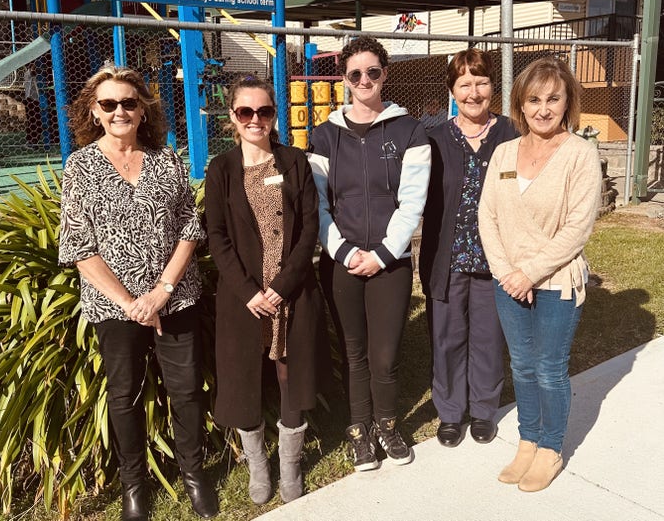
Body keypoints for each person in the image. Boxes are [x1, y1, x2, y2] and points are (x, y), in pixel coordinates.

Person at [58, 66, 218, 521]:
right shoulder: (81, 166)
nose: (119, 111)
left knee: (185, 390)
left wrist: (163, 289)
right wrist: (131, 303)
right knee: (124, 393)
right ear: (94, 110)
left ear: (143, 108)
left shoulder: (166, 159)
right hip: (114, 306)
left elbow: (190, 225)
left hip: (175, 296)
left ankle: (193, 475)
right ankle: (134, 486)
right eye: (108, 104)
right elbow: (78, 245)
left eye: (129, 102)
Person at [308, 35, 431, 471]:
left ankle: (388, 425)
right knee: (354, 352)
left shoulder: (409, 130)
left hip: (389, 263)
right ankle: (359, 432)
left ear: (384, 74)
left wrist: (380, 254)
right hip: (341, 263)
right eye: (355, 73)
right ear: (344, 78)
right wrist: (342, 252)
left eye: (372, 72)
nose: (364, 80)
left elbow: (411, 202)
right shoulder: (323, 136)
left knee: (385, 355)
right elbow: (319, 205)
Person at [204, 75, 329, 505]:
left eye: (264, 111)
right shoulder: (221, 169)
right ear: (233, 119)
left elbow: (309, 226)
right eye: (246, 112)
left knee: (288, 372)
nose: (256, 119)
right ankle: (258, 465)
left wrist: (281, 285)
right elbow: (216, 236)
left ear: (275, 115)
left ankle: (290, 465)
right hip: (245, 299)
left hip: (291, 292)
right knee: (243, 377)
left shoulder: (295, 162)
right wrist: (248, 292)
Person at [479, 57, 601, 492]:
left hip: (555, 281)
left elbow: (578, 228)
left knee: (549, 368)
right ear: (520, 105)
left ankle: (551, 448)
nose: (543, 108)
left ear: (568, 102)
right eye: (534, 100)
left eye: (553, 98)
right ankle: (528, 440)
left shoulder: (580, 155)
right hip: (508, 278)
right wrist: (507, 273)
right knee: (523, 367)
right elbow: (487, 216)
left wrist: (528, 273)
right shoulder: (504, 153)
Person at [419, 49, 518, 448]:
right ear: (451, 91)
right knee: (447, 337)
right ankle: (450, 411)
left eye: (481, 82)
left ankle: (482, 409)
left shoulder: (512, 133)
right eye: (465, 84)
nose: (474, 92)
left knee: (489, 337)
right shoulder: (433, 138)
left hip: (496, 258)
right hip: (448, 259)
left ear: (492, 86)